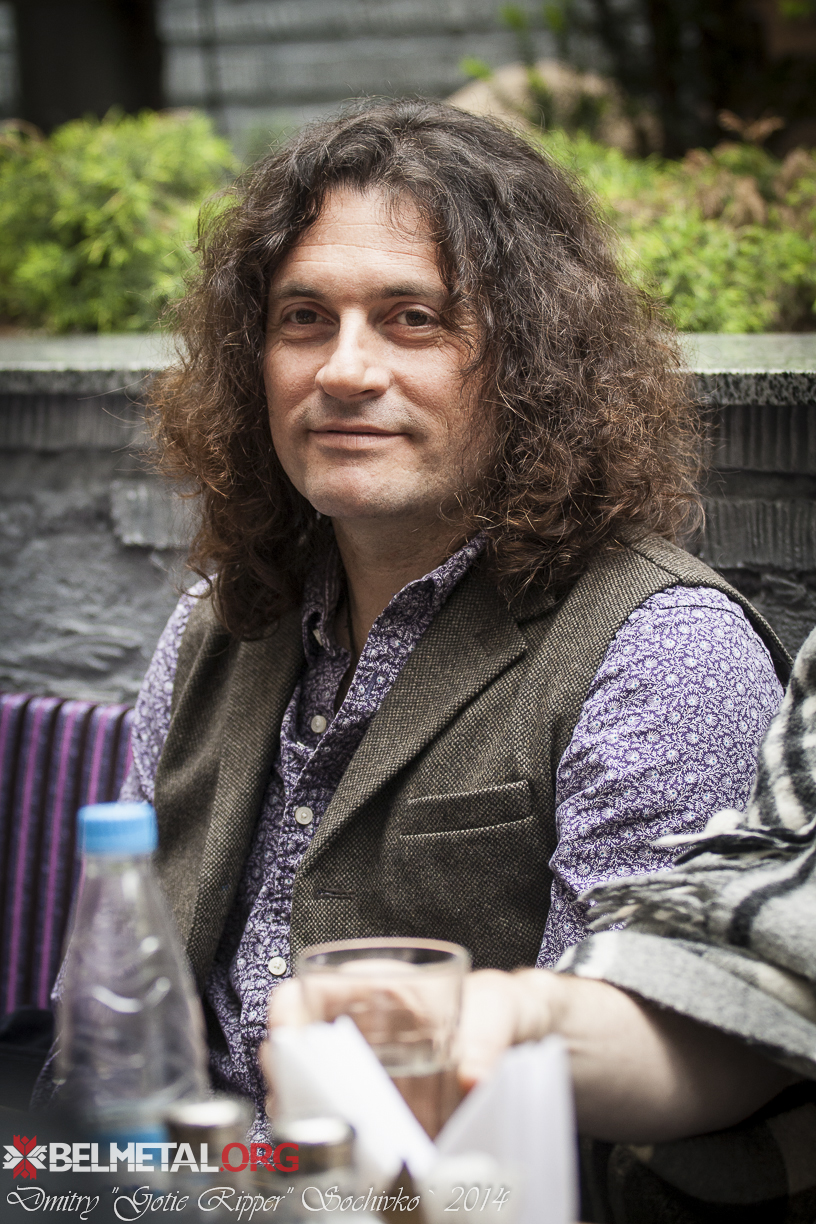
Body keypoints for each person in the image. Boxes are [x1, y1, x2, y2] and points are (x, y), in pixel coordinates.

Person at [120, 98, 789, 1128]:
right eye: (304, 318)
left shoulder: (660, 651)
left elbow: (646, 1065)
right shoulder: (220, 621)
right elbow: (119, 972)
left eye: (413, 319)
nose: (344, 370)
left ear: (532, 362)